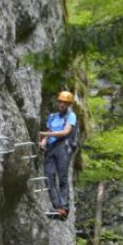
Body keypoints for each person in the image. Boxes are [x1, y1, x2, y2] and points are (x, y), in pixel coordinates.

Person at [39, 91, 77, 221]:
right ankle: (57, 207)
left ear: (68, 104)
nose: (62, 104)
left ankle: (64, 208)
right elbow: (49, 130)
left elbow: (66, 132)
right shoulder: (52, 116)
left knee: (62, 178)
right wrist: (43, 141)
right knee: (48, 176)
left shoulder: (71, 116)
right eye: (60, 102)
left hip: (64, 148)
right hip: (51, 148)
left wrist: (45, 135)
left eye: (65, 103)